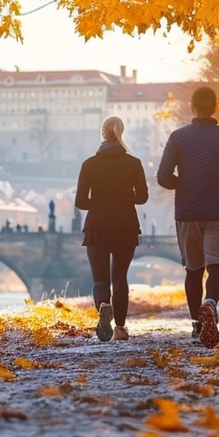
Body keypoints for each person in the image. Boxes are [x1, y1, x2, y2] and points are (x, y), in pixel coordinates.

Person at [157, 86, 219, 348]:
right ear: (215, 107)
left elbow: (163, 178)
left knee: (193, 269)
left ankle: (197, 323)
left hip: (188, 211)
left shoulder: (177, 138)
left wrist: (187, 182)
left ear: (192, 107)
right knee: (217, 264)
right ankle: (210, 303)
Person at [76, 116, 149, 342]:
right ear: (121, 133)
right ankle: (119, 327)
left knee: (100, 280)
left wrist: (98, 203)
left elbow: (80, 201)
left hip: (97, 226)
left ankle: (103, 307)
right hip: (125, 225)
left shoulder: (89, 164)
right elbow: (143, 197)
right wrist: (124, 197)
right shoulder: (134, 163)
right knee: (119, 278)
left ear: (102, 133)